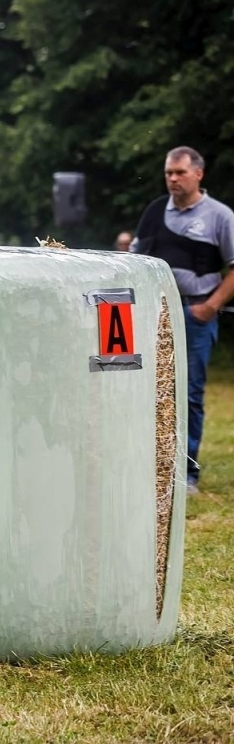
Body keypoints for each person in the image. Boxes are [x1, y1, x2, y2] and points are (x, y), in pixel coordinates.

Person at [130, 146, 234, 495]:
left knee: (188, 393)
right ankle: (151, 466)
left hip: (194, 314)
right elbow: (135, 259)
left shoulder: (220, 216)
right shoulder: (155, 210)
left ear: (198, 174)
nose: (173, 179)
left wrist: (210, 307)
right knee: (149, 390)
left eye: (180, 173)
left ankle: (186, 473)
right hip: (152, 313)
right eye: (168, 173)